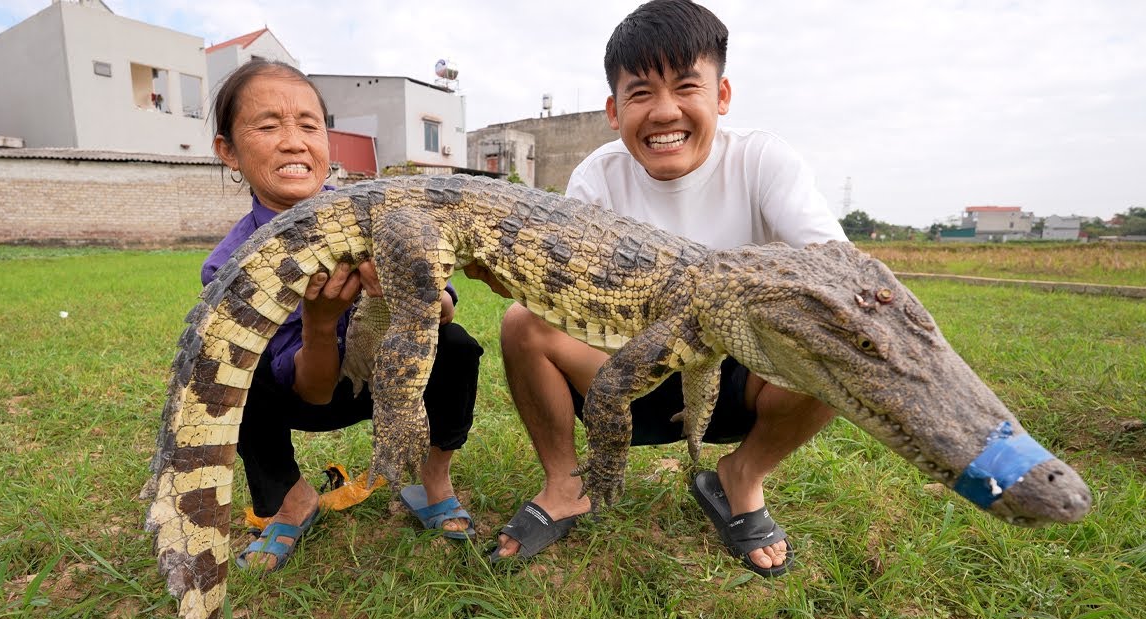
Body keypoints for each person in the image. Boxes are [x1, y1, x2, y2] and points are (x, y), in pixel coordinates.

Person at [489, 0, 846, 576]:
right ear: (613, 108)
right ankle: (564, 485)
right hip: (627, 366)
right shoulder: (597, 177)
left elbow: (832, 265)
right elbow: (556, 279)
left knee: (842, 343)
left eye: (686, 87)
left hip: (738, 369)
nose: (664, 112)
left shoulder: (763, 160)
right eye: (640, 93)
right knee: (522, 321)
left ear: (721, 96)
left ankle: (741, 477)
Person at [204, 60, 483, 572]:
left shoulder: (382, 215)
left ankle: (430, 483)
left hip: (394, 380)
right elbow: (313, 392)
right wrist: (319, 321)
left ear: (326, 142)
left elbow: (443, 307)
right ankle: (292, 500)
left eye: (308, 125)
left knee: (459, 346)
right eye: (268, 126)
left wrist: (408, 296)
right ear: (229, 152)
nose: (293, 141)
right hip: (310, 392)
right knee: (227, 370)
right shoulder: (229, 266)